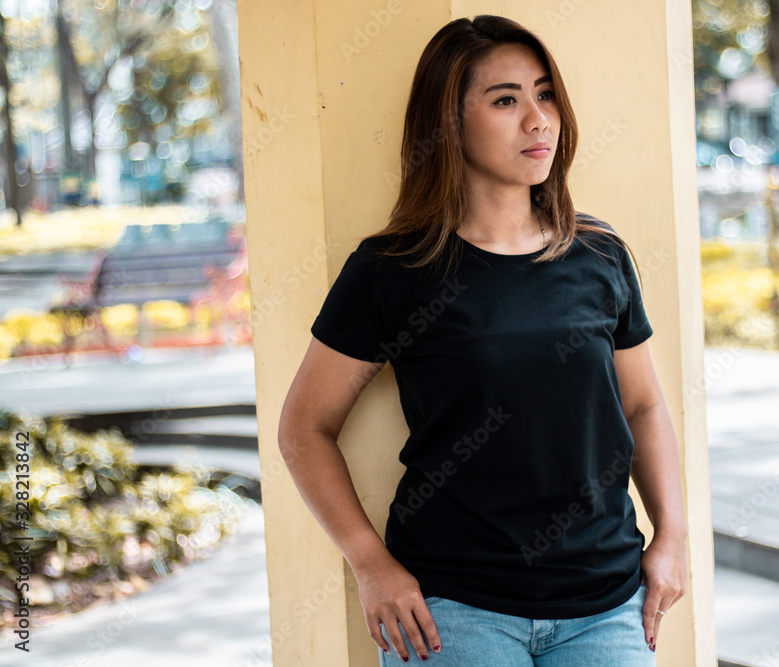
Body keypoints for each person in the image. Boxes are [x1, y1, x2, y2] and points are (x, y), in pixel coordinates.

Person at [278, 15, 689, 666]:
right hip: (453, 612)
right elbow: (304, 426)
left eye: (545, 93)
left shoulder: (599, 254)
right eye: (506, 99)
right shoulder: (395, 269)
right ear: (449, 122)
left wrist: (672, 535)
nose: (538, 119)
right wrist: (369, 562)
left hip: (606, 605)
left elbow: (643, 406)